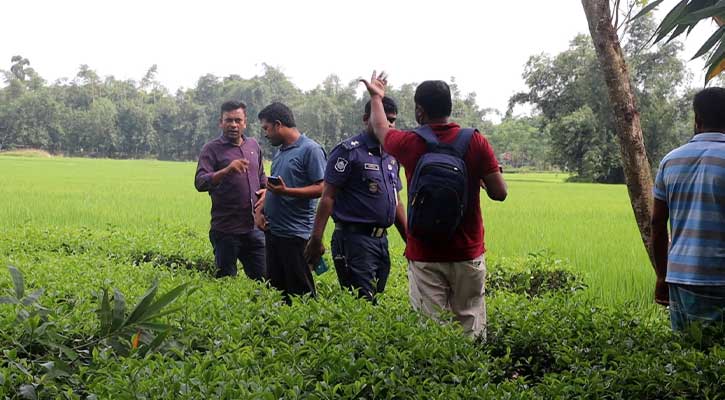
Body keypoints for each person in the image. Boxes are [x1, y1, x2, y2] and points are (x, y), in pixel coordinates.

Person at [360, 71, 507, 338]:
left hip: (425, 254)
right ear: (449, 107)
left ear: (419, 111)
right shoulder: (475, 141)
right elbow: (500, 193)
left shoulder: (409, 142)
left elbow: (381, 129)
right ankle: (471, 375)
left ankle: (438, 377)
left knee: (432, 330)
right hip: (467, 251)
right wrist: (482, 179)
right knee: (470, 321)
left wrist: (376, 98)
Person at [304, 97, 407, 302]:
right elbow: (328, 196)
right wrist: (316, 239)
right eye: (383, 118)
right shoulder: (349, 151)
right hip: (353, 241)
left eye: (392, 120)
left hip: (381, 241)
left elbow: (396, 201)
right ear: (366, 118)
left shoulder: (392, 155)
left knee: (375, 298)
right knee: (362, 302)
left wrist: (410, 241)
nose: (388, 125)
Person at [651, 87, 725, 335]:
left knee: (687, 359)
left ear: (697, 120)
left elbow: (657, 224)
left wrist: (662, 276)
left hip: (680, 277)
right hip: (720, 277)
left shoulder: (670, 160)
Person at [254, 102, 326, 303]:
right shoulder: (281, 152)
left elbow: (323, 188)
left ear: (278, 125)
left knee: (301, 293)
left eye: (266, 128)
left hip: (295, 235)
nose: (265, 134)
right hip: (274, 233)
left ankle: (309, 333)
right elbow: (272, 186)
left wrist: (287, 191)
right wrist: (260, 210)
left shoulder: (311, 150)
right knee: (278, 293)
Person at [194, 100, 267, 280]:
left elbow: (261, 176)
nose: (233, 125)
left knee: (264, 280)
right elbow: (200, 182)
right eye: (228, 120)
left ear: (245, 122)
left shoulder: (253, 146)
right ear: (221, 122)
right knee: (225, 281)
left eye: (237, 120)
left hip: (254, 228)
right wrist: (227, 170)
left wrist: (266, 191)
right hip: (226, 230)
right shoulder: (211, 149)